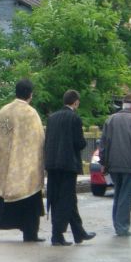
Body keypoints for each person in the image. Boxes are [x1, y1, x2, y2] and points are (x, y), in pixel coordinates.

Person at [0, 79, 45, 242]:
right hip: (23, 166)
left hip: (2, 162)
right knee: (28, 194)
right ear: (30, 94)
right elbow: (39, 139)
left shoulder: (4, 111)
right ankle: (30, 233)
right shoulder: (31, 113)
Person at [45, 90, 96, 246]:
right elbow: (79, 143)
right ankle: (57, 235)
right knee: (66, 199)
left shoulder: (52, 118)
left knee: (58, 198)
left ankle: (78, 233)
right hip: (68, 165)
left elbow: (47, 140)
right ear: (76, 102)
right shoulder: (74, 118)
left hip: (52, 165)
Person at [99, 93, 131, 236]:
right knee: (126, 196)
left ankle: (118, 224)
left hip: (113, 165)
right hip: (130, 165)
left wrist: (103, 162)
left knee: (118, 194)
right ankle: (122, 227)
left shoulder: (111, 120)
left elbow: (103, 144)